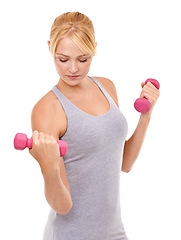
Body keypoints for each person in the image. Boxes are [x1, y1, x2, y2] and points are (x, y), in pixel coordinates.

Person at [29, 11, 160, 240]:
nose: (73, 69)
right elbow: (62, 205)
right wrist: (48, 166)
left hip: (114, 232)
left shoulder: (107, 87)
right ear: (50, 47)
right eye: (63, 59)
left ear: (94, 49)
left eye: (83, 59)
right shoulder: (47, 109)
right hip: (71, 234)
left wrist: (146, 116)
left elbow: (124, 163)